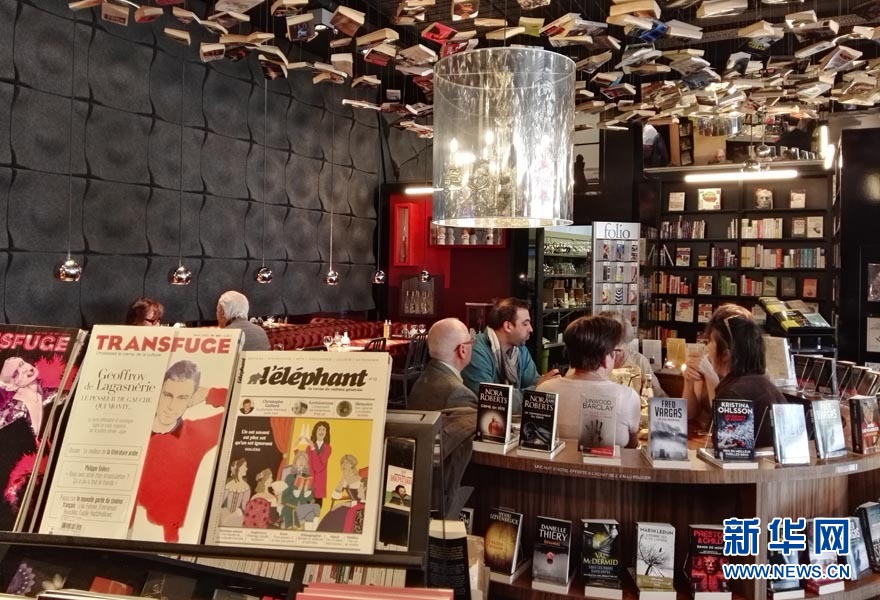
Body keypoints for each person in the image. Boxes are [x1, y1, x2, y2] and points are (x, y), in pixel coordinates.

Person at [132, 360, 228, 542]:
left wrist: (209, 394)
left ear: (191, 399)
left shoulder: (195, 435)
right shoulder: (133, 427)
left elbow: (248, 406)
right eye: (168, 395)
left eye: (182, 398)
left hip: (167, 542)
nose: (171, 405)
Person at [686, 306, 786, 447]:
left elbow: (729, 452)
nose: (707, 348)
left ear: (726, 355)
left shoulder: (732, 393)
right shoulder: (764, 384)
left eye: (711, 341)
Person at [408, 318, 478, 518]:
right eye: (471, 343)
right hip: (439, 495)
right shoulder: (458, 393)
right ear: (462, 350)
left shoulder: (423, 379)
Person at [537, 316, 641, 448]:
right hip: (606, 462)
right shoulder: (627, 396)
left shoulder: (545, 390)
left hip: (551, 462)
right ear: (605, 358)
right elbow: (632, 448)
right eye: (614, 351)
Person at [461, 298, 559, 412]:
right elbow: (490, 401)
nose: (531, 329)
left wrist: (547, 384)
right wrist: (537, 390)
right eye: (525, 324)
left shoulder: (521, 350)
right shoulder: (476, 351)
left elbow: (535, 382)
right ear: (508, 326)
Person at [599, 311, 666, 397]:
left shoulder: (639, 361)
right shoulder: (593, 359)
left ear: (624, 333)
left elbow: (659, 395)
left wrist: (651, 388)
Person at [0, 357, 47, 435]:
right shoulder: (11, 413)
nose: (24, 369)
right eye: (16, 374)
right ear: (10, 387)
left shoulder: (52, 394)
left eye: (21, 364)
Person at [300, 421, 332, 506]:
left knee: (317, 509)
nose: (321, 432)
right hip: (308, 484)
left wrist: (313, 448)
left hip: (319, 485)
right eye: (319, 429)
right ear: (315, 431)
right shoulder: (308, 447)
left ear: (326, 432)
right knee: (305, 509)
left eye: (323, 430)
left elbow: (318, 467)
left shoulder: (328, 448)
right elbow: (306, 465)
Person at [220, 458, 250, 527]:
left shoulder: (246, 488)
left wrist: (230, 517)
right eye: (245, 466)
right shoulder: (228, 485)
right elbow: (220, 502)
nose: (247, 469)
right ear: (238, 468)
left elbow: (244, 508)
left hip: (237, 517)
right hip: (226, 514)